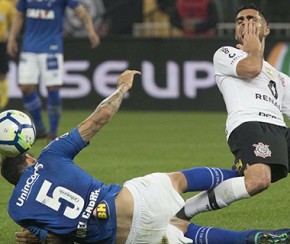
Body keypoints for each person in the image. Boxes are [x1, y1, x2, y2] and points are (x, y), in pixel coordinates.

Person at [1, 70, 290, 244]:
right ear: (28, 159)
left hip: (126, 239)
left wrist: (34, 237)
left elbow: (58, 240)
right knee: (178, 180)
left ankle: (253, 238)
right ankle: (242, 176)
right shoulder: (49, 157)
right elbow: (100, 118)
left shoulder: (18, 211)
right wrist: (122, 88)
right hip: (129, 200)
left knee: (187, 233)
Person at [176, 3, 290, 221]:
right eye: (240, 21)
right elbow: (252, 68)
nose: (246, 23)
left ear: (266, 29)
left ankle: (237, 171)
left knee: (244, 177)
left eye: (252, 19)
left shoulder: (279, 77)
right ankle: (184, 211)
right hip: (250, 125)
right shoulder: (226, 54)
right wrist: (254, 47)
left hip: (279, 131)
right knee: (258, 181)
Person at [7, 0, 100, 141]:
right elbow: (19, 15)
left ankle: (53, 132)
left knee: (53, 88)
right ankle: (39, 128)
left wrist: (91, 31)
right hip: (29, 48)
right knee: (26, 87)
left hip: (52, 49)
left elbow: (82, 12)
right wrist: (12, 38)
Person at [0, 0, 15, 111]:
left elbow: (15, 21)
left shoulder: (6, 5)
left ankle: (3, 103)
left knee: (3, 73)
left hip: (1, 43)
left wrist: (10, 36)